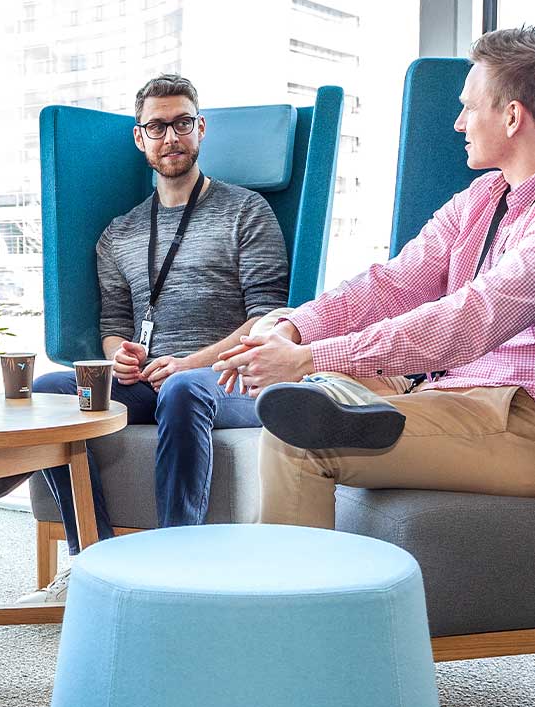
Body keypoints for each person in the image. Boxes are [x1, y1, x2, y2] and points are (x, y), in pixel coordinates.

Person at [215, 26, 535, 525]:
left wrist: (307, 358)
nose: (458, 123)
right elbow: (390, 286)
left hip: (521, 417)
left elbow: (468, 321)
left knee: (302, 437)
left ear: (512, 116)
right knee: (306, 394)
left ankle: (283, 603)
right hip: (449, 392)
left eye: (470, 107)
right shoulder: (479, 200)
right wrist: (292, 331)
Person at [19, 73, 289, 603]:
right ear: (140, 138)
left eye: (182, 123)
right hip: (151, 378)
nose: (172, 137)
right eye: (157, 127)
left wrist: (192, 362)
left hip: (228, 378)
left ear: (201, 128)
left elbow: (268, 318)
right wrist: (120, 357)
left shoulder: (246, 211)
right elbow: (114, 325)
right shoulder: (119, 232)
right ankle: (88, 558)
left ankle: (175, 564)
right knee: (51, 392)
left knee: (184, 390)